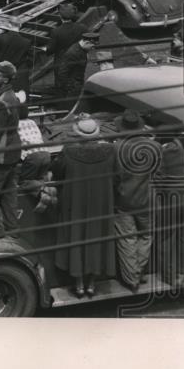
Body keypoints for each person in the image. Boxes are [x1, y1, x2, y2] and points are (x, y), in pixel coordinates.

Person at [52, 115, 118, 297]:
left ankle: (79, 285)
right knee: (96, 239)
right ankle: (91, 284)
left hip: (75, 202)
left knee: (77, 237)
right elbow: (116, 174)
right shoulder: (110, 150)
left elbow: (58, 171)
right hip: (100, 202)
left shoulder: (68, 151)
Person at [112, 111, 155, 291]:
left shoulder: (116, 148)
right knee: (146, 235)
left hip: (123, 201)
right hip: (146, 199)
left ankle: (132, 278)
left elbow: (113, 177)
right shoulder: (153, 147)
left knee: (127, 239)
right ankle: (138, 272)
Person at [0, 61, 23, 237]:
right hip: (14, 149)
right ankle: (12, 228)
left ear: (6, 79)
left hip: (3, 152)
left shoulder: (2, 101)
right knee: (9, 191)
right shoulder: (11, 95)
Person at [55, 32, 100, 103]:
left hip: (78, 84)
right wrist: (71, 88)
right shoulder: (73, 53)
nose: (93, 49)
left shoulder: (82, 49)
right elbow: (62, 73)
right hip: (73, 89)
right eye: (92, 46)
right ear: (87, 42)